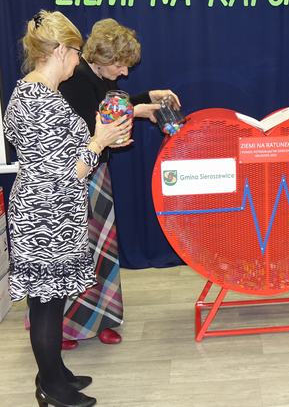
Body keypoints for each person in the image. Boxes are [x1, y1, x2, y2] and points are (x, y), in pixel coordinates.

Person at [3, 10, 130, 407]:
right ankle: (51, 388)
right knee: (46, 305)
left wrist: (99, 139)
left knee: (50, 301)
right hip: (46, 217)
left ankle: (55, 373)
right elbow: (67, 172)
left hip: (44, 210)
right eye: (76, 52)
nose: (78, 60)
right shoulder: (42, 101)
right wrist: (99, 141)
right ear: (59, 51)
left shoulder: (28, 91)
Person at [57, 18, 180, 349]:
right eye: (120, 65)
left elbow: (113, 105)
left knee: (102, 252)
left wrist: (147, 98)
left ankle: (102, 319)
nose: (124, 72)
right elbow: (91, 126)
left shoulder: (98, 76)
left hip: (97, 173)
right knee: (79, 252)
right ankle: (64, 327)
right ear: (100, 57)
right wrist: (135, 112)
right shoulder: (75, 80)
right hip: (77, 175)